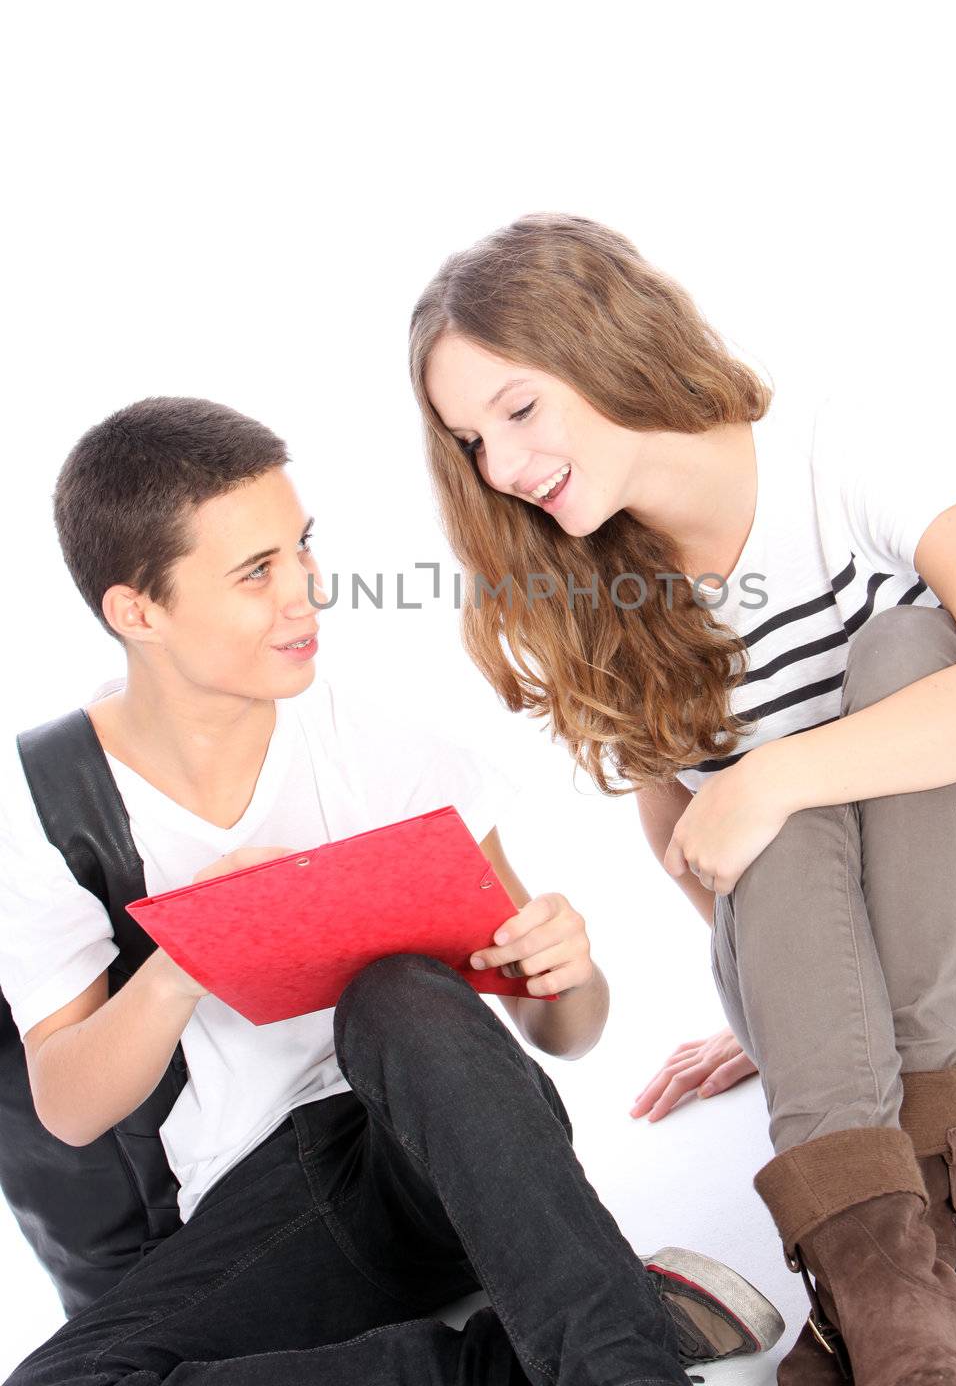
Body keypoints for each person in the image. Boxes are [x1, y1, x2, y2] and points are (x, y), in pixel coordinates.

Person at [0, 396, 786, 1386]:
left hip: (454, 1161)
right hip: (272, 1214)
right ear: (137, 610)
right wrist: (174, 974)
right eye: (257, 572)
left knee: (398, 990)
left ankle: (615, 1365)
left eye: (302, 550)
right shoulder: (39, 804)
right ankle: (560, 1337)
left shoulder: (378, 745)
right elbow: (68, 1106)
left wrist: (565, 973)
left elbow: (562, 1034)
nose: (306, 594)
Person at [412, 212, 956, 1385]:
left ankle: (893, 1240)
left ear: (606, 341)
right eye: (470, 440)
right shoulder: (591, 588)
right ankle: (897, 1294)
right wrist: (795, 1011)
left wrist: (774, 773)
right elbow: (696, 850)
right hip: (857, 1062)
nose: (502, 468)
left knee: (908, 658)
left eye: (517, 409)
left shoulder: (834, 447)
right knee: (754, 793)